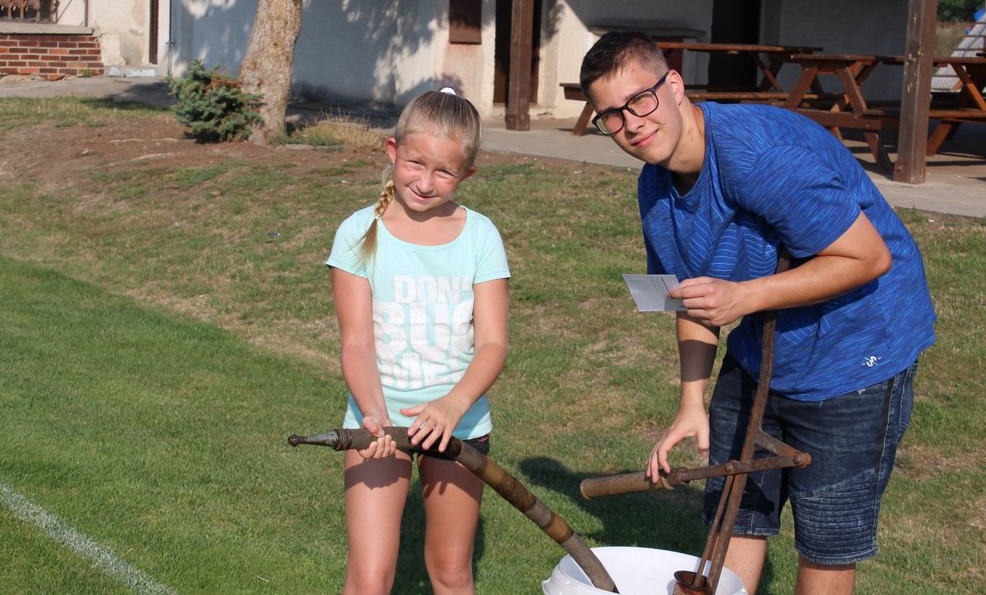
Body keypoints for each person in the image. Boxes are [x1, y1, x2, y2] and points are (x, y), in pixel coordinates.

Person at [578, 32, 935, 595]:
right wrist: (691, 402)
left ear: (674, 85)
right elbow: (690, 297)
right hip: (762, 351)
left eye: (639, 100)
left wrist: (742, 298)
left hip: (857, 349)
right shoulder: (656, 188)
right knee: (734, 515)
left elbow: (868, 258)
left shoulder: (757, 156)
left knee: (825, 541)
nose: (631, 124)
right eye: (611, 116)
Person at [325, 88, 510, 595]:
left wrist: (454, 405)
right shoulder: (357, 231)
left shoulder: (481, 236)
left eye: (444, 172)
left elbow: (493, 344)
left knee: (451, 572)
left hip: (460, 425)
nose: (426, 183)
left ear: (467, 173)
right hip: (377, 422)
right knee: (369, 578)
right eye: (415, 164)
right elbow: (357, 344)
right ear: (393, 151)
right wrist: (373, 414)